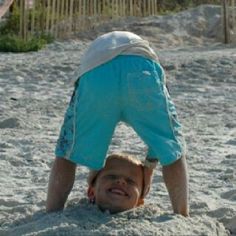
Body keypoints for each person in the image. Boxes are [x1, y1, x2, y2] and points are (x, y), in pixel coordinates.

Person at [46, 31, 189, 216]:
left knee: (67, 152)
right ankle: (182, 214)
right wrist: (150, 166)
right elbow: (164, 139)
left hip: (97, 69)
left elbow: (92, 134)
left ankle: (51, 212)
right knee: (172, 149)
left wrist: (96, 168)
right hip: (141, 67)